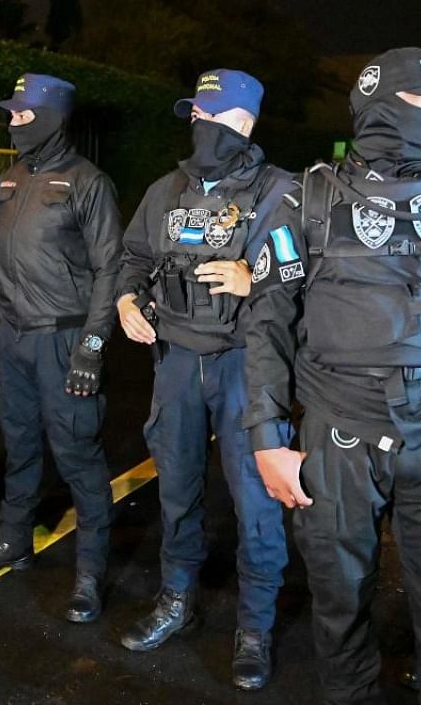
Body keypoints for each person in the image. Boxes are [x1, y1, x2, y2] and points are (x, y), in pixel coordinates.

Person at [245, 48, 421, 704]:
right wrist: (266, 437)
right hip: (336, 440)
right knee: (340, 608)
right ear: (383, 106)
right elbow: (267, 321)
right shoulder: (305, 198)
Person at [114, 69, 291, 690]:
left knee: (256, 499)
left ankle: (255, 627)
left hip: (249, 363)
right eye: (195, 116)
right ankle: (176, 599)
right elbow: (132, 256)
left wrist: (256, 278)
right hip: (178, 362)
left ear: (244, 123)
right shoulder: (166, 191)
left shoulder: (281, 193)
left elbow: (312, 279)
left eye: (212, 117)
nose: (200, 128)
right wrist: (127, 300)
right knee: (178, 489)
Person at [0, 73, 123, 626]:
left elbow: (111, 269)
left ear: (53, 116)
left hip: (64, 339)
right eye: (11, 116)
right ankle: (14, 541)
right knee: (21, 447)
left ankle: (89, 572)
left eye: (23, 116)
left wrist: (92, 346)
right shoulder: (8, 182)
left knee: (78, 455)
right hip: (14, 340)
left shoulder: (88, 182)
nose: (12, 125)